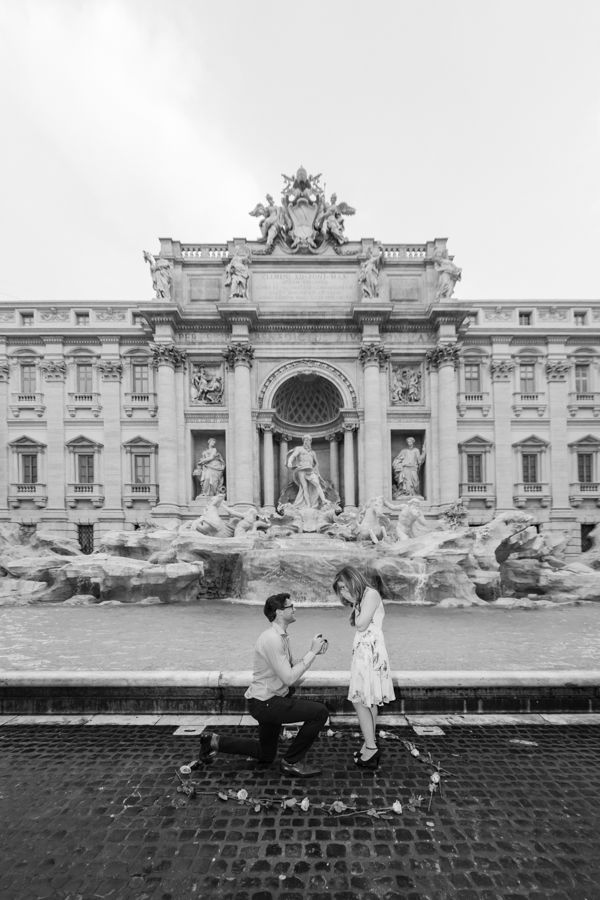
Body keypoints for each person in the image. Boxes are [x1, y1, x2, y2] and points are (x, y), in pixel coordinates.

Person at [198, 593, 329, 778]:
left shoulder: (281, 637)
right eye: (291, 606)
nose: (295, 609)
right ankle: (290, 762)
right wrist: (311, 653)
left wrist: (313, 652)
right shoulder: (272, 639)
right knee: (320, 712)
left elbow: (288, 669)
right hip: (267, 703)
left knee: (266, 754)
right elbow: (289, 678)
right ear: (279, 612)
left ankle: (213, 741)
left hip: (266, 700)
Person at [332, 566, 395, 769]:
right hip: (365, 653)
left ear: (354, 580)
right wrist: (355, 603)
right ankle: (370, 745)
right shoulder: (361, 599)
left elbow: (361, 624)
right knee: (369, 702)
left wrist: (355, 605)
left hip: (370, 654)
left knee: (359, 701)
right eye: (340, 589)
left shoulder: (370, 595)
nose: (343, 592)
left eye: (344, 586)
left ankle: (371, 747)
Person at [286, 434, 328, 509]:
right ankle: (308, 505)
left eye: (308, 440)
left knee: (317, 484)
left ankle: (323, 499)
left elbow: (316, 463)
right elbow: (293, 456)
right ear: (303, 441)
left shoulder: (312, 452)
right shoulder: (299, 449)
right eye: (305, 440)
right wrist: (289, 462)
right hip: (301, 470)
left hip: (310, 470)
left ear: (310, 442)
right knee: (304, 487)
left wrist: (317, 473)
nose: (306, 442)